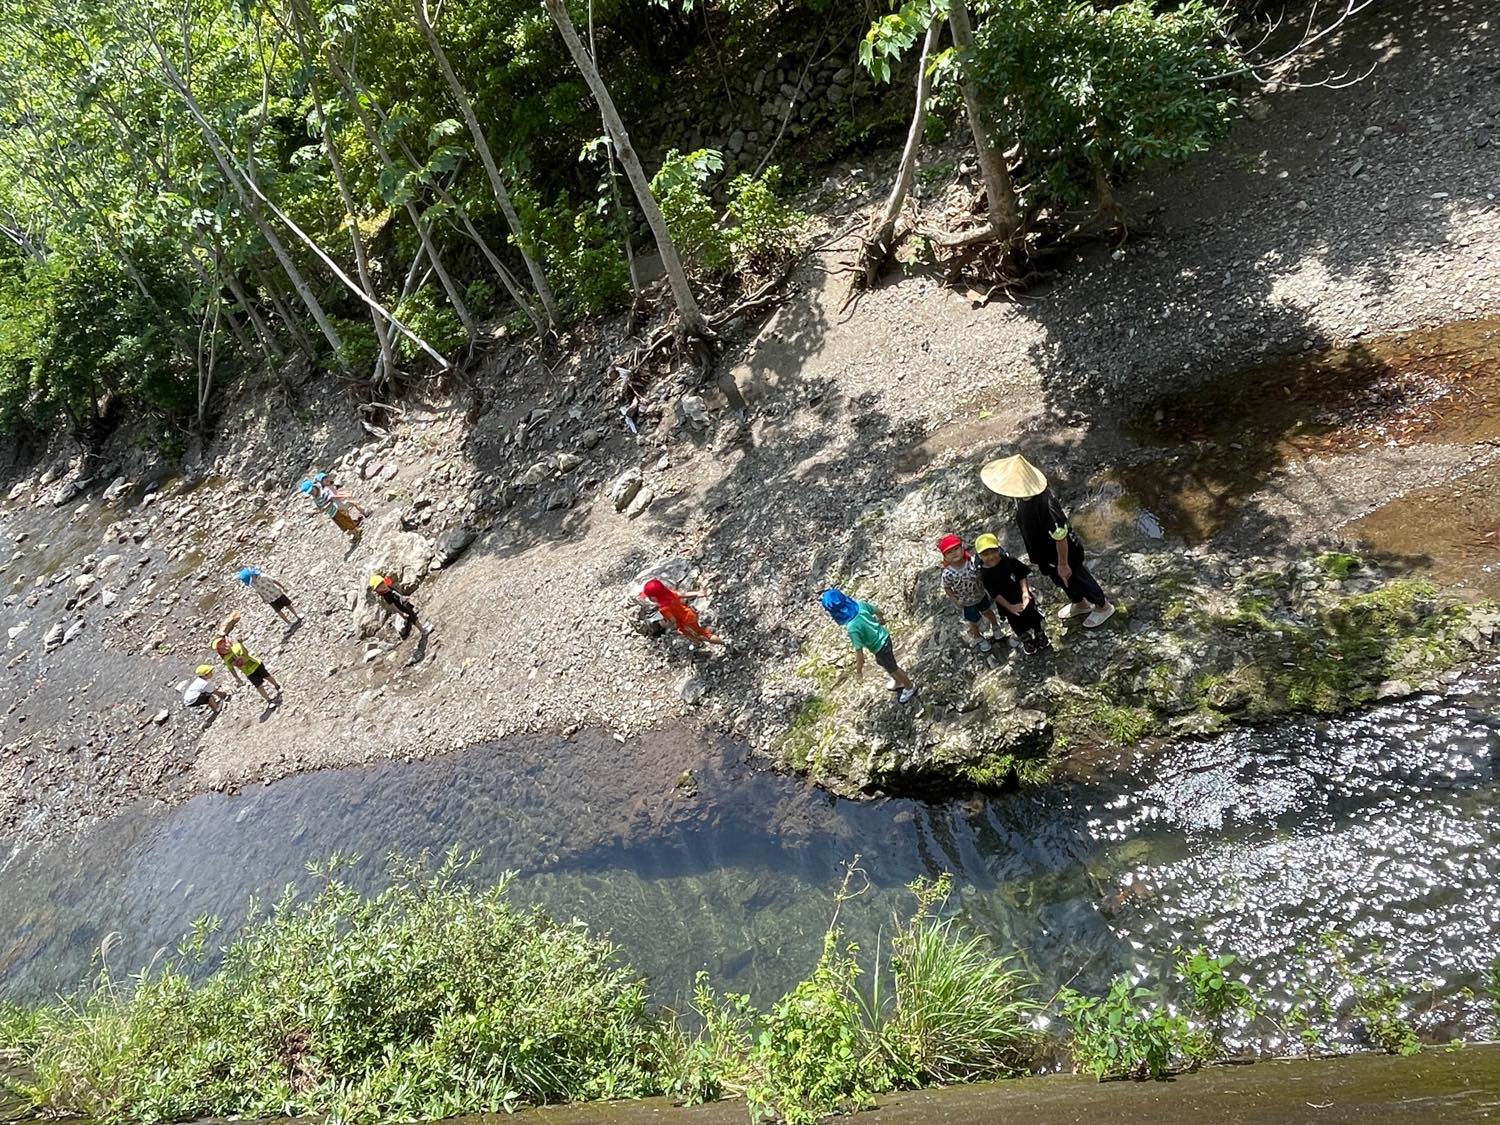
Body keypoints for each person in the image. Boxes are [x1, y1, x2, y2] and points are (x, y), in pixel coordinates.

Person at [980, 454, 1115, 628]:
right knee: (1061, 580)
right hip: (1043, 552)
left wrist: (1063, 563)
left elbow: (1060, 536)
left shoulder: (1046, 504)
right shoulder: (1020, 497)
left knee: (1077, 577)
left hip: (1063, 553)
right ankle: (1079, 603)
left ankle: (1102, 606)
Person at [821, 589, 917, 704]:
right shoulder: (861, 605)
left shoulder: (852, 628)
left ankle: (909, 686)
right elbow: (878, 611)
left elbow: (859, 652)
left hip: (880, 647)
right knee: (882, 662)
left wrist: (859, 671)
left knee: (893, 667)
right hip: (885, 637)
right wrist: (881, 619)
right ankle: (897, 681)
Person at [974, 533, 1050, 655]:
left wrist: (1025, 593)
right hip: (1007, 603)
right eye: (985, 554)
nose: (991, 556)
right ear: (979, 556)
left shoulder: (1009, 561)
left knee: (1032, 614)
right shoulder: (985, 574)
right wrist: (1009, 606)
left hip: (1021, 595)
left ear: (999, 549)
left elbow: (1021, 575)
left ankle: (1039, 633)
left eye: (993, 551)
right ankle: (1026, 639)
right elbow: (995, 594)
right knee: (1015, 621)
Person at [937, 533, 1001, 652]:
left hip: (981, 595)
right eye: (949, 552)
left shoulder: (972, 561)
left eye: (956, 549)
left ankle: (996, 627)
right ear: (945, 556)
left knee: (988, 611)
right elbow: (947, 587)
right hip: (967, 602)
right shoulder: (948, 573)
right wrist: (955, 600)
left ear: (962, 548)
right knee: (973, 621)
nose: (954, 553)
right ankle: (978, 637)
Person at [641, 578, 724, 648]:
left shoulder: (663, 609)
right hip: (689, 613)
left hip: (686, 622)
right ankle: (698, 643)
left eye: (649, 597)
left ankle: (723, 642)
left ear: (654, 598)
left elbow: (673, 621)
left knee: (703, 635)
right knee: (687, 632)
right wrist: (697, 593)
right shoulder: (671, 594)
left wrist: (665, 624)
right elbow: (683, 594)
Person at [213, 633, 282, 704]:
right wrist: (236, 677)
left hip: (256, 664)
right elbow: (231, 668)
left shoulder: (237, 647)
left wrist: (241, 644)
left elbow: (246, 653)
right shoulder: (226, 659)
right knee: (258, 686)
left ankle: (277, 686)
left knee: (267, 676)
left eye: (225, 645)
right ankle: (269, 700)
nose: (225, 648)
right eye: (222, 649)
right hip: (248, 672)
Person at [300, 478, 366, 540]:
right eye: (310, 493)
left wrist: (324, 508)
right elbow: (320, 508)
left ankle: (357, 532)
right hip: (332, 514)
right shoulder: (315, 499)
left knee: (347, 522)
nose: (312, 493)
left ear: (314, 486)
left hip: (336, 510)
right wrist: (315, 512)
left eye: (312, 491)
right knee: (343, 526)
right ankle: (354, 531)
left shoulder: (323, 493)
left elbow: (330, 501)